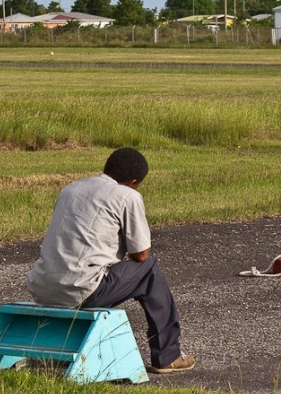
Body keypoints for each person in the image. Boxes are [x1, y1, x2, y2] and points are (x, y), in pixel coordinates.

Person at [27, 147, 195, 373]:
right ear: (134, 181)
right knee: (149, 269)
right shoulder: (128, 195)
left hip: (42, 287)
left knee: (137, 268)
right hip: (82, 289)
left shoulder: (71, 189)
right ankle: (168, 355)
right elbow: (140, 254)